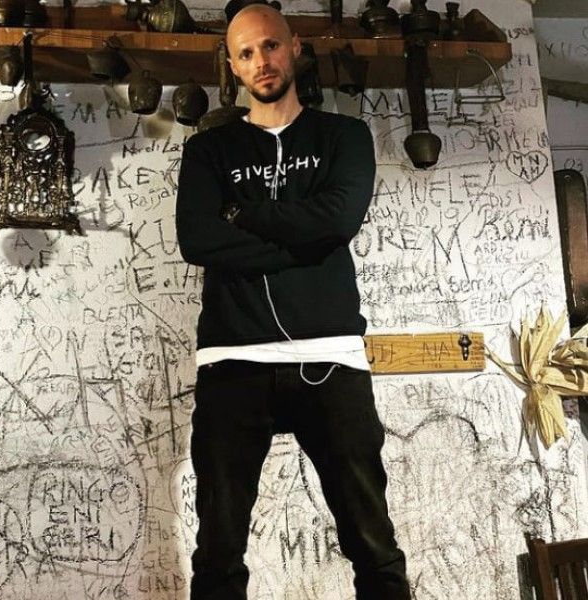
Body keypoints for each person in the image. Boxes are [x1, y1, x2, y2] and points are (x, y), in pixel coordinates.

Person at [175, 4, 411, 599]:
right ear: (232, 65)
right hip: (232, 360)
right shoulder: (208, 152)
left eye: (271, 45)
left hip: (330, 357)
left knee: (373, 545)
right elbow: (198, 240)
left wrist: (243, 215)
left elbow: (338, 220)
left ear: (295, 46)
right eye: (246, 53)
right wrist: (303, 245)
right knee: (218, 552)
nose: (261, 60)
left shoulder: (343, 136)